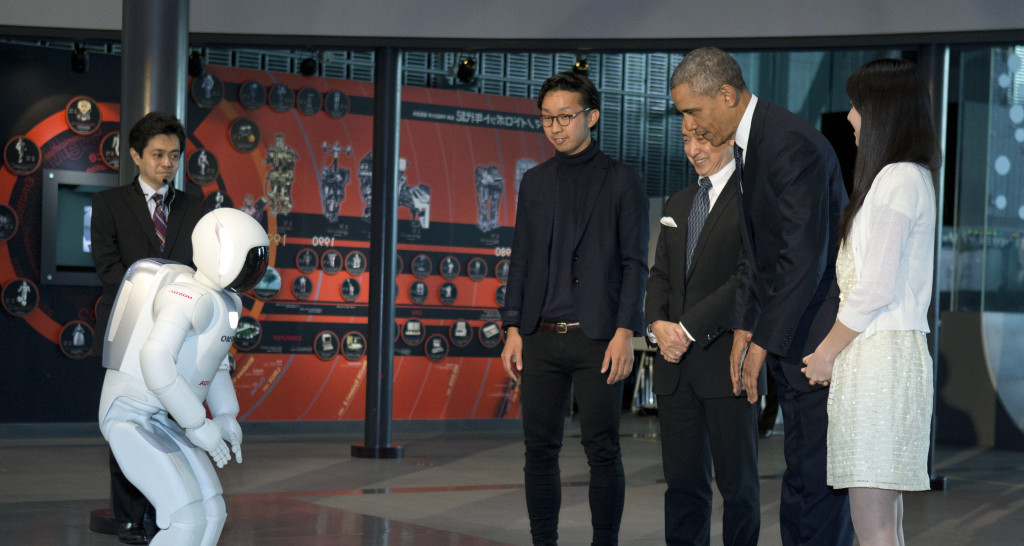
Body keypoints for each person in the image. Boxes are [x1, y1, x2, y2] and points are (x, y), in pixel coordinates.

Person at [669, 47, 854, 545]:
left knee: (817, 486)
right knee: (800, 480)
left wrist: (763, 343)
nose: (689, 125)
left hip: (813, 339)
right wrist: (745, 324)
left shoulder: (789, 144)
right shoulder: (753, 142)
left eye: (693, 110)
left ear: (726, 94)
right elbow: (756, 251)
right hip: (791, 337)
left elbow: (802, 259)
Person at [500, 70, 649, 546]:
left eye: (565, 116)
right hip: (539, 336)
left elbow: (634, 262)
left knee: (602, 450)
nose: (555, 127)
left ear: (592, 116)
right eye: (547, 118)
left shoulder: (621, 180)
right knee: (539, 451)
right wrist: (512, 328)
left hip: (598, 338)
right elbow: (521, 259)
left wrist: (625, 332)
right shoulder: (534, 182)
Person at [801, 58, 940, 546]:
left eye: (857, 104)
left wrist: (826, 352)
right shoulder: (906, 177)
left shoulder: (898, 178)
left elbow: (874, 287)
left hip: (879, 357)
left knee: (874, 523)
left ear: (884, 110)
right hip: (884, 354)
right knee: (884, 521)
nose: (850, 117)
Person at [99, 207, 269, 546]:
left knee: (213, 511)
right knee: (185, 518)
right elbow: (155, 358)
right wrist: (197, 423)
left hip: (162, 418)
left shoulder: (227, 303)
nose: (254, 271)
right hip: (128, 416)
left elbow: (215, 364)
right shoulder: (185, 296)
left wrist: (225, 414)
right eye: (249, 260)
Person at [92, 111, 205, 544]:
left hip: (179, 336)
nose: (167, 164)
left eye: (174, 156)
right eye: (158, 155)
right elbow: (108, 269)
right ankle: (128, 519)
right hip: (127, 333)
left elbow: (202, 271)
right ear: (136, 156)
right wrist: (157, 304)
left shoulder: (195, 207)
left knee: (172, 427)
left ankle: (167, 514)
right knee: (128, 427)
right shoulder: (109, 204)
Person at [645, 126, 760, 546]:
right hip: (674, 367)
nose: (694, 150)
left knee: (738, 488)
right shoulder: (679, 202)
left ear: (730, 139)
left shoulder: (752, 200)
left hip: (726, 363)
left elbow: (746, 277)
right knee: (682, 488)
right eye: (686, 141)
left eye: (704, 140)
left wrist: (687, 328)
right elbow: (660, 275)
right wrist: (657, 325)